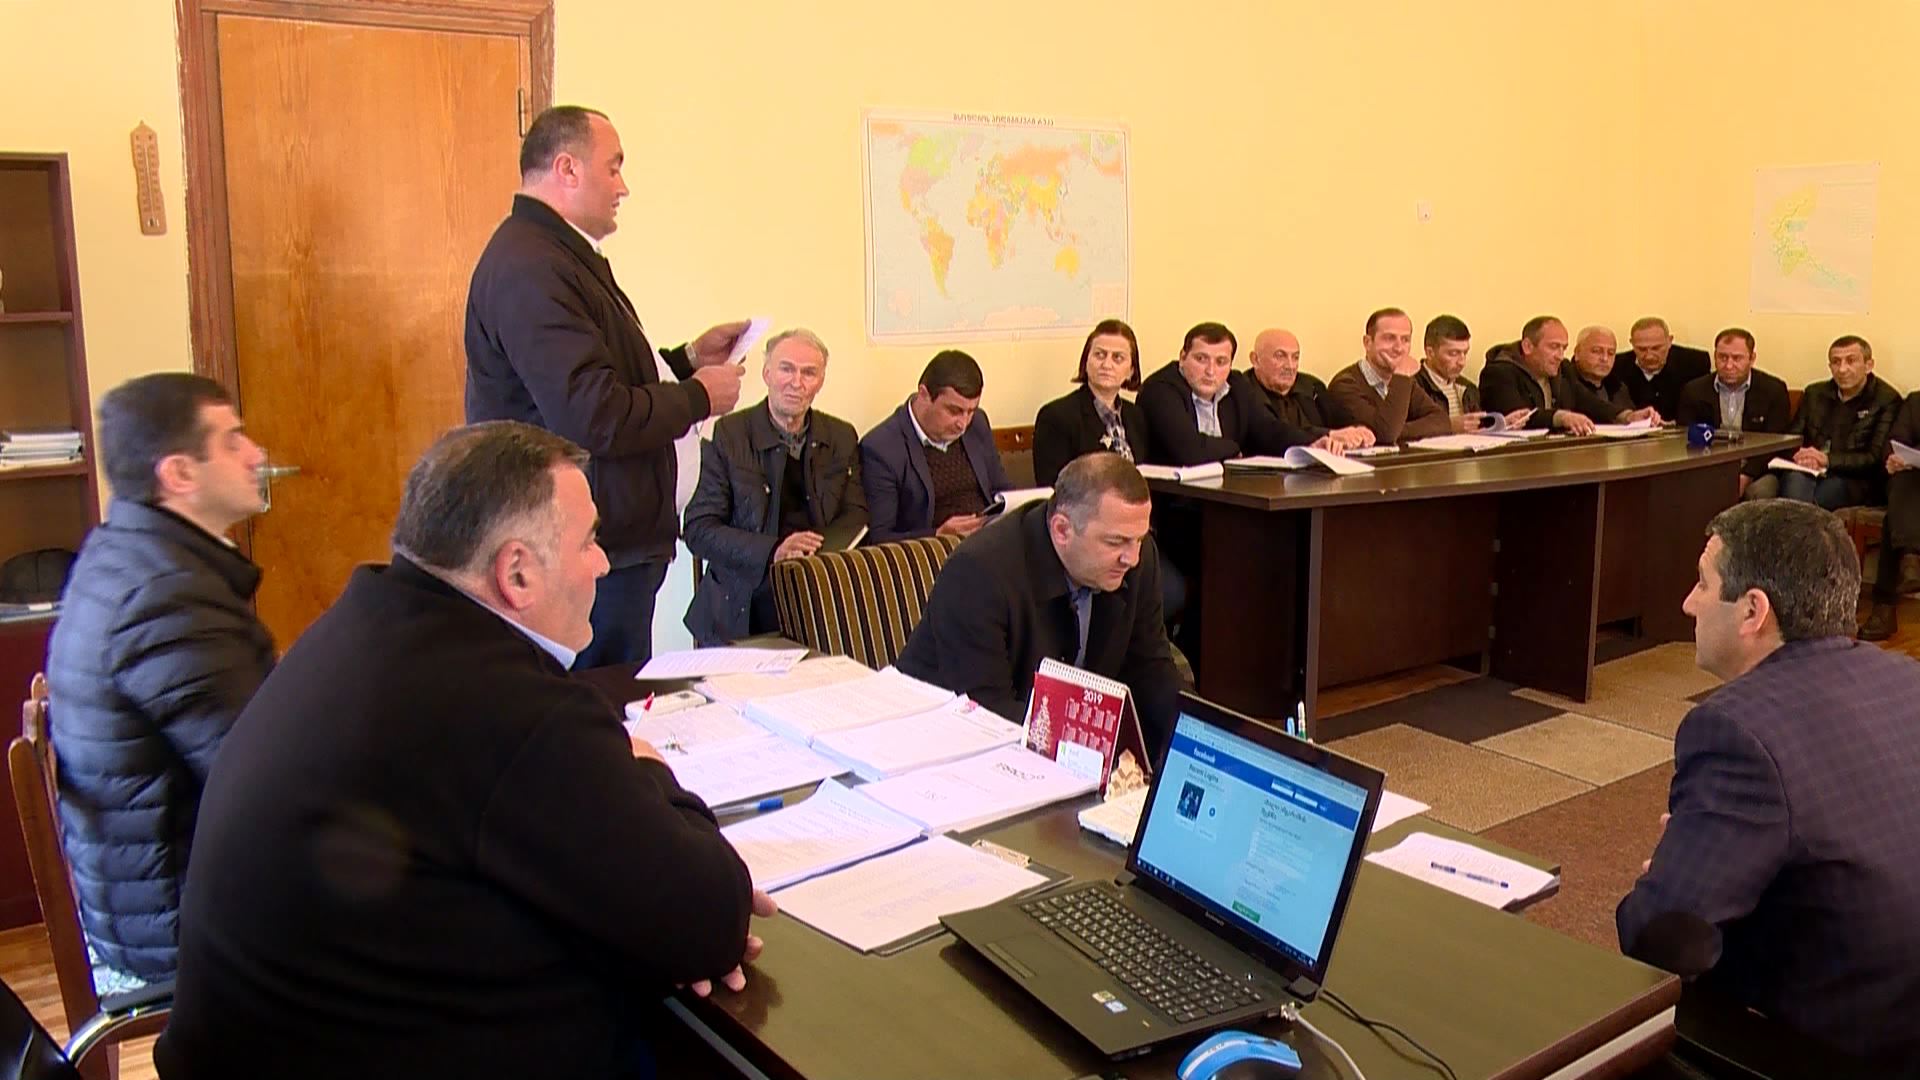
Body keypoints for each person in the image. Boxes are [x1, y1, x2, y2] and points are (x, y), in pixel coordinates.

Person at [156, 422, 768, 1080]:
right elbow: (709, 920)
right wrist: (649, 768)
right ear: (517, 572)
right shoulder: (509, 707)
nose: (601, 563)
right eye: (589, 541)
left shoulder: (360, 627)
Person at [1618, 499, 1920, 1068]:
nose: (1688, 602)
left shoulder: (1737, 730)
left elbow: (1660, 940)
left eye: (1703, 583)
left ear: (1753, 611)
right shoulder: (1907, 678)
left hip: (1830, 1051)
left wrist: (1678, 867)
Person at [464, 104, 749, 669]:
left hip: (609, 537)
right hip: (578, 541)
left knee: (612, 694)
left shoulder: (557, 255)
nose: (623, 187)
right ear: (567, 169)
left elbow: (600, 374)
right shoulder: (532, 265)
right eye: (613, 167)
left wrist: (687, 360)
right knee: (597, 698)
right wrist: (699, 397)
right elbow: (592, 413)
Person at [43, 373, 276, 987]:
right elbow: (263, 781)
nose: (256, 454)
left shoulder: (127, 553)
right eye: (233, 440)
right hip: (182, 919)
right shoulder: (167, 596)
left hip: (153, 891)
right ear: (179, 474)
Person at [895, 452, 1181, 752]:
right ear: (1062, 530)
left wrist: (1196, 731)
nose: (1132, 558)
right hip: (941, 742)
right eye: (1115, 542)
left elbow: (1149, 665)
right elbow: (986, 711)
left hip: (1055, 741)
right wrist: (1087, 749)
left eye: (1140, 539)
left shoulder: (1136, 558)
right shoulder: (978, 572)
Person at [682, 328, 865, 645]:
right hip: (743, 601)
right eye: (786, 369)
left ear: (821, 381)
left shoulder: (840, 436)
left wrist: (817, 555)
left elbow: (857, 514)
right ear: (767, 374)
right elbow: (699, 530)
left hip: (815, 590)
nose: (797, 382)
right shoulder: (727, 434)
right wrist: (775, 550)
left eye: (809, 373)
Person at [1137, 321, 1347, 464]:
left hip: (1227, 495)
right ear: (1183, 357)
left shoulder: (1236, 384)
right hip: (1176, 503)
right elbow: (1190, 450)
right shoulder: (1160, 389)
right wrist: (1235, 447)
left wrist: (1310, 443)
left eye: (1221, 362)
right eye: (1201, 359)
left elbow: (1268, 428)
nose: (1211, 371)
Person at [861, 349, 1013, 543]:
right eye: (954, 411)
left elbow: (1002, 490)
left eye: (970, 411)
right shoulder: (881, 448)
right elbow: (880, 538)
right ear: (924, 394)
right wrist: (937, 535)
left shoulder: (977, 423)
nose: (963, 424)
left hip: (990, 540)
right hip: (935, 552)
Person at [1750, 335, 1900, 509]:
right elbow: (1791, 438)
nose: (1842, 369)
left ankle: (1793, 521)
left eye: (1851, 361)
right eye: (1836, 362)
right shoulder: (1815, 393)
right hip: (1806, 470)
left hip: (1854, 479)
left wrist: (1827, 460)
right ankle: (1797, 522)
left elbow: (1875, 458)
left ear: (1869, 365)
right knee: (1795, 482)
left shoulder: (1886, 399)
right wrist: (1804, 457)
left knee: (1806, 499)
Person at [1478, 316, 1650, 433]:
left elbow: (1587, 401)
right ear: (1528, 346)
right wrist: (1561, 417)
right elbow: (1518, 417)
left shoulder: (1563, 369)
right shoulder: (1498, 373)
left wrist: (1627, 416)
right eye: (1554, 347)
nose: (1560, 356)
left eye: (1563, 348)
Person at [1673, 328, 1792, 497]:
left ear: (1752, 359)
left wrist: (1746, 475)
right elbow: (1686, 438)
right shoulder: (1694, 391)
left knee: (1761, 491)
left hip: (1758, 468)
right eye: (1722, 357)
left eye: (1737, 358)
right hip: (1708, 465)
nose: (1729, 365)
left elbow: (1775, 442)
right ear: (1715, 356)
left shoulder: (1773, 390)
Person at [1032, 319, 1150, 486]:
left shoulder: (1136, 416)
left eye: (1117, 358)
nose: (1107, 365)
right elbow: (1054, 487)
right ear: (1086, 362)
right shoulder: (1056, 417)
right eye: (1099, 355)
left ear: (1131, 371)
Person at [1323, 308, 1455, 442]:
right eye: (1389, 338)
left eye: (1405, 340)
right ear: (1368, 343)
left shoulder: (1404, 381)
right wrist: (1401, 377)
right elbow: (1384, 435)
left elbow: (1442, 422)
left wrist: (1398, 430)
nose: (1399, 348)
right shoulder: (1345, 385)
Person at [1860, 389, 1920, 641]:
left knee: (1896, 515)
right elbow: (1894, 443)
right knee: (1903, 482)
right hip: (1912, 486)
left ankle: (1884, 607)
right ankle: (1910, 560)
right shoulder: (1916, 402)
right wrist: (1895, 460)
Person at [1612, 315, 1711, 420]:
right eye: (1642, 349)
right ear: (1632, 343)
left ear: (1669, 341)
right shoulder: (1616, 366)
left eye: (1656, 348)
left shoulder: (1694, 363)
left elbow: (1704, 410)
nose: (1649, 356)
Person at [1414, 314, 1495, 425]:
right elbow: (1403, 430)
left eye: (1465, 353)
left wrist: (1502, 424)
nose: (1462, 362)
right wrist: (1449, 426)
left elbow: (1479, 427)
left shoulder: (1468, 388)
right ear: (1430, 353)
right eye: (1453, 353)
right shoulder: (1412, 388)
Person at [1565, 326, 1637, 415]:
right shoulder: (1565, 383)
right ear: (1577, 352)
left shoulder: (1618, 388)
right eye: (1597, 351)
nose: (1605, 359)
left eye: (1611, 353)